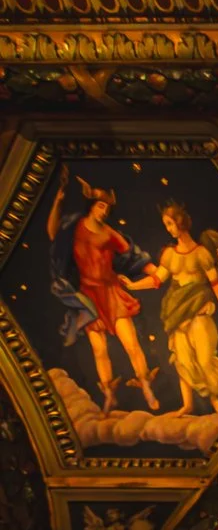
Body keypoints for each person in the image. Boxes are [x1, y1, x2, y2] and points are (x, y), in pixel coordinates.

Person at [49, 176, 160, 413]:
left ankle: (146, 387)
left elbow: (132, 254)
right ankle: (109, 395)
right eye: (101, 206)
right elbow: (53, 234)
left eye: (108, 208)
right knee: (99, 350)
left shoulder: (109, 234)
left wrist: (153, 271)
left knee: (131, 344)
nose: (104, 211)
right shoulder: (74, 227)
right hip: (88, 296)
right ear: (91, 206)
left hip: (111, 292)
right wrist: (58, 203)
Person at [149, 202, 218, 415]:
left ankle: (215, 399)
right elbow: (157, 279)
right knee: (183, 360)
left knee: (205, 359)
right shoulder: (169, 254)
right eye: (166, 225)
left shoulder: (201, 254)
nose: (168, 229)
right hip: (177, 314)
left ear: (180, 222)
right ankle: (188, 404)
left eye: (170, 223)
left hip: (199, 313)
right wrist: (133, 285)